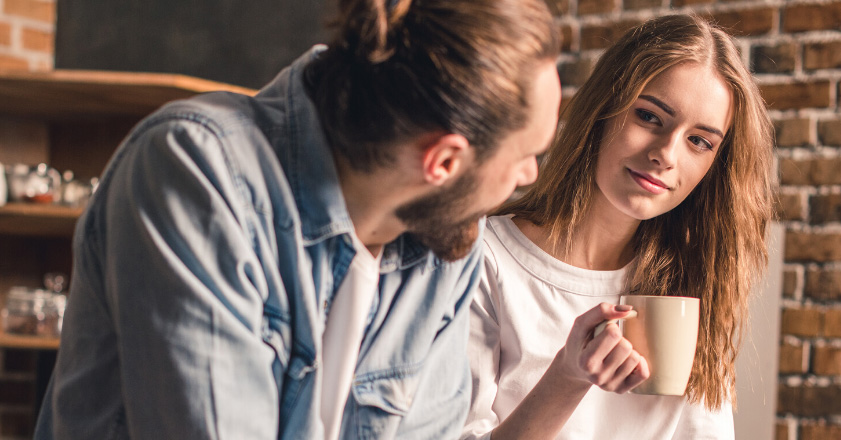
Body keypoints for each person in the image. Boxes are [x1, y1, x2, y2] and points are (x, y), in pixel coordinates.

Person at [35, 0, 560, 439]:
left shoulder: (445, 240)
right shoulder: (198, 175)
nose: (529, 175)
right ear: (443, 161)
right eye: (524, 156)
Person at [462, 14, 774, 440]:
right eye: (649, 116)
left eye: (699, 141)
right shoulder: (482, 261)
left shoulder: (692, 279)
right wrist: (568, 378)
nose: (666, 153)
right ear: (603, 109)